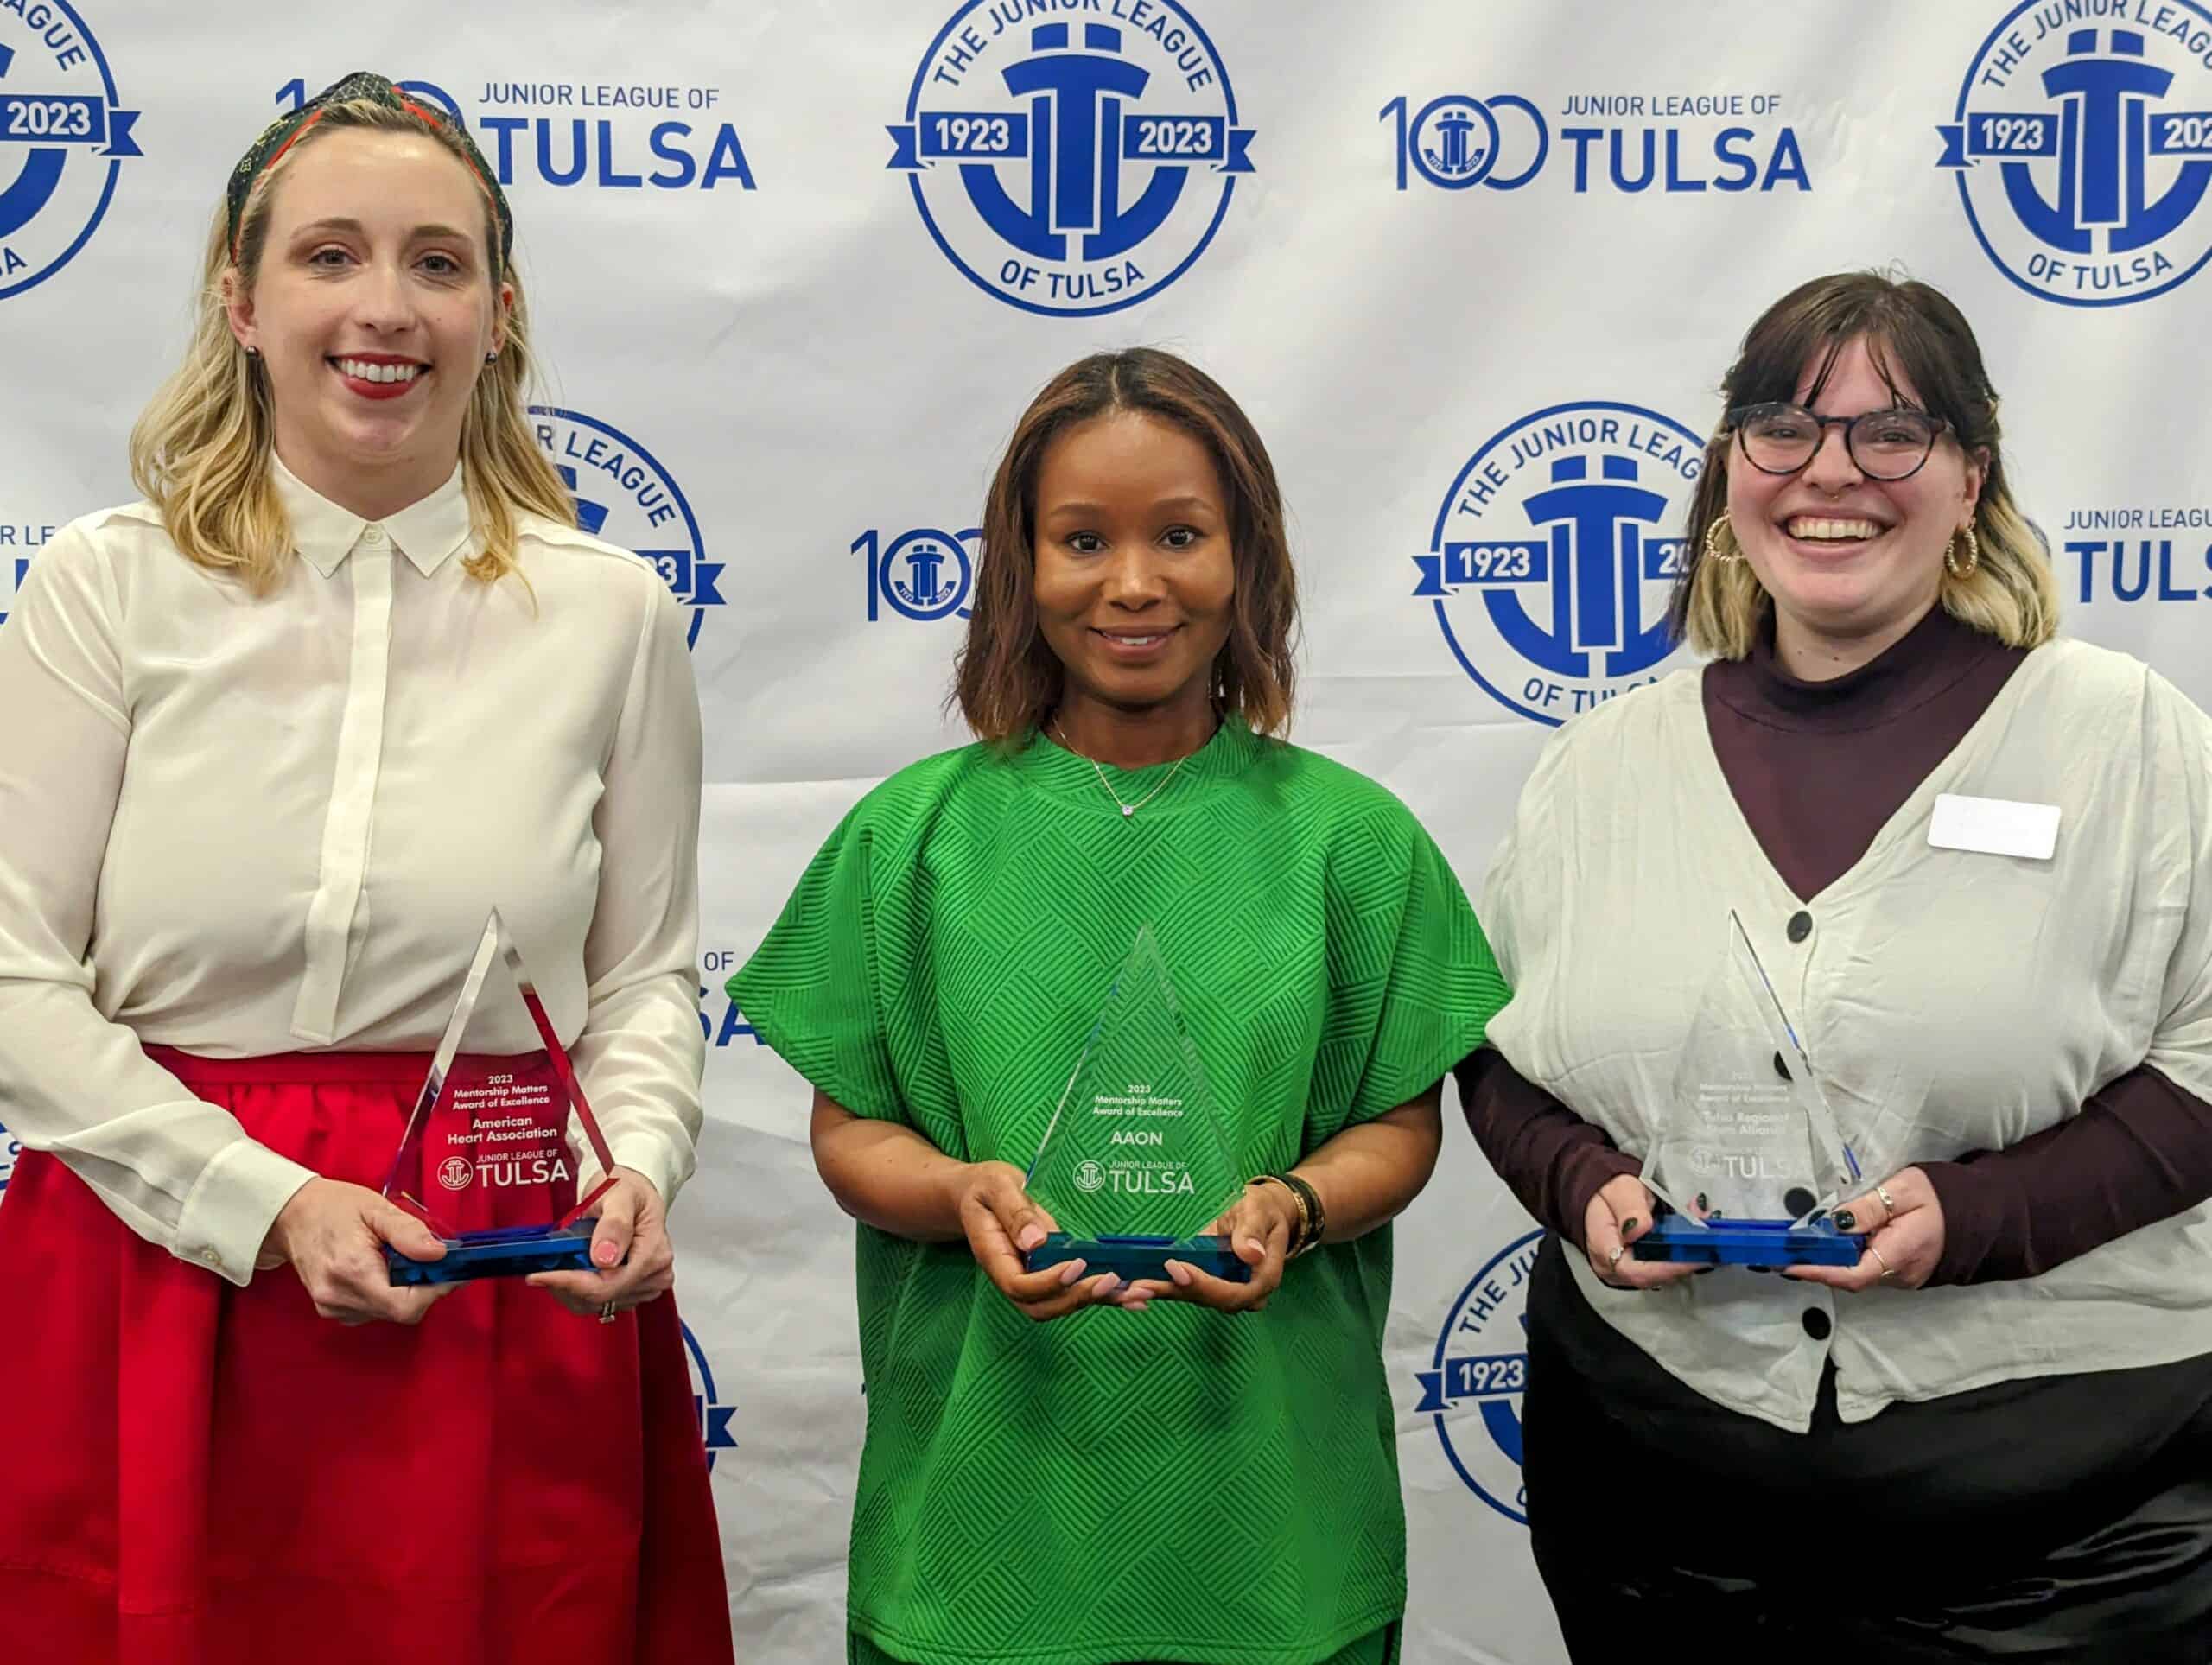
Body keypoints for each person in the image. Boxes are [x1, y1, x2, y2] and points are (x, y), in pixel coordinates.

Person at [0, 74, 733, 1663]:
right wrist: (261, 1205)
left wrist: (642, 1169)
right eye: (329, 256)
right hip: (153, 1252)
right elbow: (10, 979)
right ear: (240, 299)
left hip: (503, 1278)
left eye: (437, 262)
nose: (384, 308)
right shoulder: (102, 588)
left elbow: (647, 979)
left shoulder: (609, 612)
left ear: (499, 309)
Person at [1459, 270, 2212, 1659]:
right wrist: (1582, 1186)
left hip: (2070, 1541)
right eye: (1783, 427)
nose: (1832, 474)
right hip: (1660, 1525)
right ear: (1732, 467)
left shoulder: (2128, 738)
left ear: (1971, 472)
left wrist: (1983, 1215)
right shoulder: (1598, 768)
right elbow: (1497, 1060)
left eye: (1891, 432)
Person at [733, 348, 1506, 1665]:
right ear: (1019, 568)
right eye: (1083, 539)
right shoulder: (909, 839)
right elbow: (851, 1138)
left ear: (1247, 560)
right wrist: (958, 1192)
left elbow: (1402, 1131)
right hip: (979, 1542)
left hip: (1274, 1541)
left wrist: (1296, 1207)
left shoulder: (1354, 845)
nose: (1134, 583)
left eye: (1182, 536)